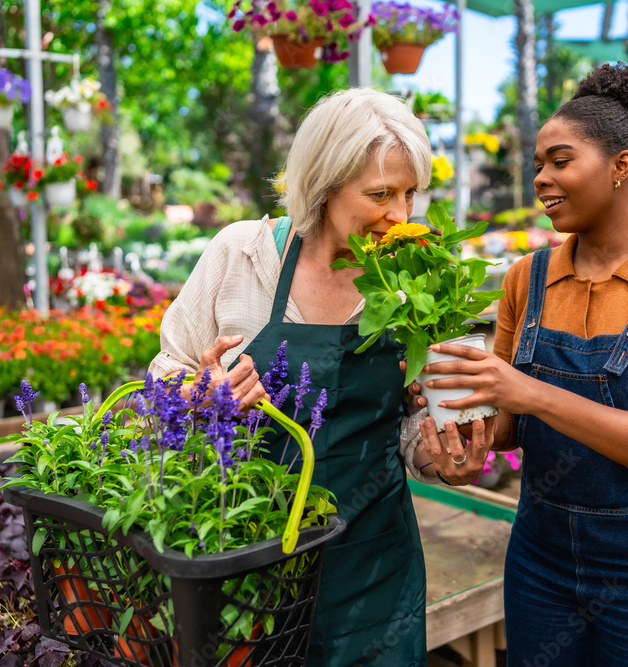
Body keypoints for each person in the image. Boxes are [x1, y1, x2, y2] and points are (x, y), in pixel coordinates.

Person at [149, 88, 490, 667]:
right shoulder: (243, 256)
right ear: (324, 185)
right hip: (245, 555)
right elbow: (162, 377)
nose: (401, 215)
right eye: (380, 194)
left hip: (372, 569)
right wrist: (199, 393)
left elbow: (407, 427)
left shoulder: (414, 280)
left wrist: (443, 459)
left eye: (410, 193)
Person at [415, 63, 628, 665]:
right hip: (542, 556)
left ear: (621, 166)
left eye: (560, 161)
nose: (541, 178)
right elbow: (512, 425)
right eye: (538, 164)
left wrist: (529, 393)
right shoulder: (527, 278)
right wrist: (470, 437)